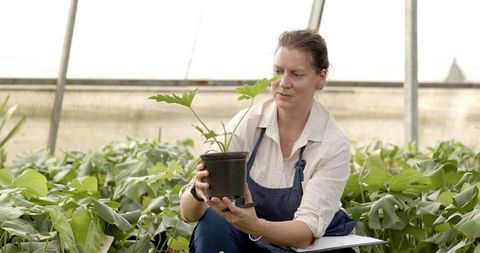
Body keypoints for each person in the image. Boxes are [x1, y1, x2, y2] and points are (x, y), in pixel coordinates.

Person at [180, 29, 355, 253]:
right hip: (255, 241)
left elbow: (305, 235)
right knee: (213, 223)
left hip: (312, 248)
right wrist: (197, 191)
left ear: (321, 77)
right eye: (278, 71)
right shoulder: (248, 123)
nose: (283, 83)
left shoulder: (332, 143)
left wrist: (255, 225)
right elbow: (188, 214)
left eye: (296, 74)